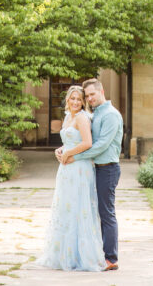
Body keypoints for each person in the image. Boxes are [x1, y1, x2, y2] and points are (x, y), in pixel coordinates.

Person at [37, 86, 106, 272]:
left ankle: (81, 256)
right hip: (66, 168)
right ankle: (64, 253)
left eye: (79, 99)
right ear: (67, 99)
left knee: (78, 208)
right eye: (72, 98)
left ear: (83, 102)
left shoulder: (82, 117)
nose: (75, 102)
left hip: (79, 168)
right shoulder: (68, 117)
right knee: (66, 207)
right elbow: (69, 140)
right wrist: (60, 149)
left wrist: (68, 153)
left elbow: (87, 143)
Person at [58, 77, 123, 271]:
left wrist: (73, 157)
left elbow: (100, 145)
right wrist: (64, 150)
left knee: (106, 213)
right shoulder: (94, 114)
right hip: (96, 168)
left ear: (102, 92)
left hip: (108, 168)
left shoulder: (110, 114)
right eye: (88, 96)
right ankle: (95, 253)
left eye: (92, 94)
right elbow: (80, 138)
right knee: (92, 211)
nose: (90, 98)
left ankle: (111, 258)